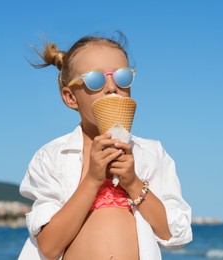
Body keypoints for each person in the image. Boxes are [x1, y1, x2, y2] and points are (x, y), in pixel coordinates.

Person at [18, 33, 192, 260]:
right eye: (95, 80)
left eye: (122, 77)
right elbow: (49, 247)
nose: (111, 87)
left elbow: (174, 235)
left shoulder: (151, 153)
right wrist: (92, 180)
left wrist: (133, 182)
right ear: (71, 98)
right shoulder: (52, 157)